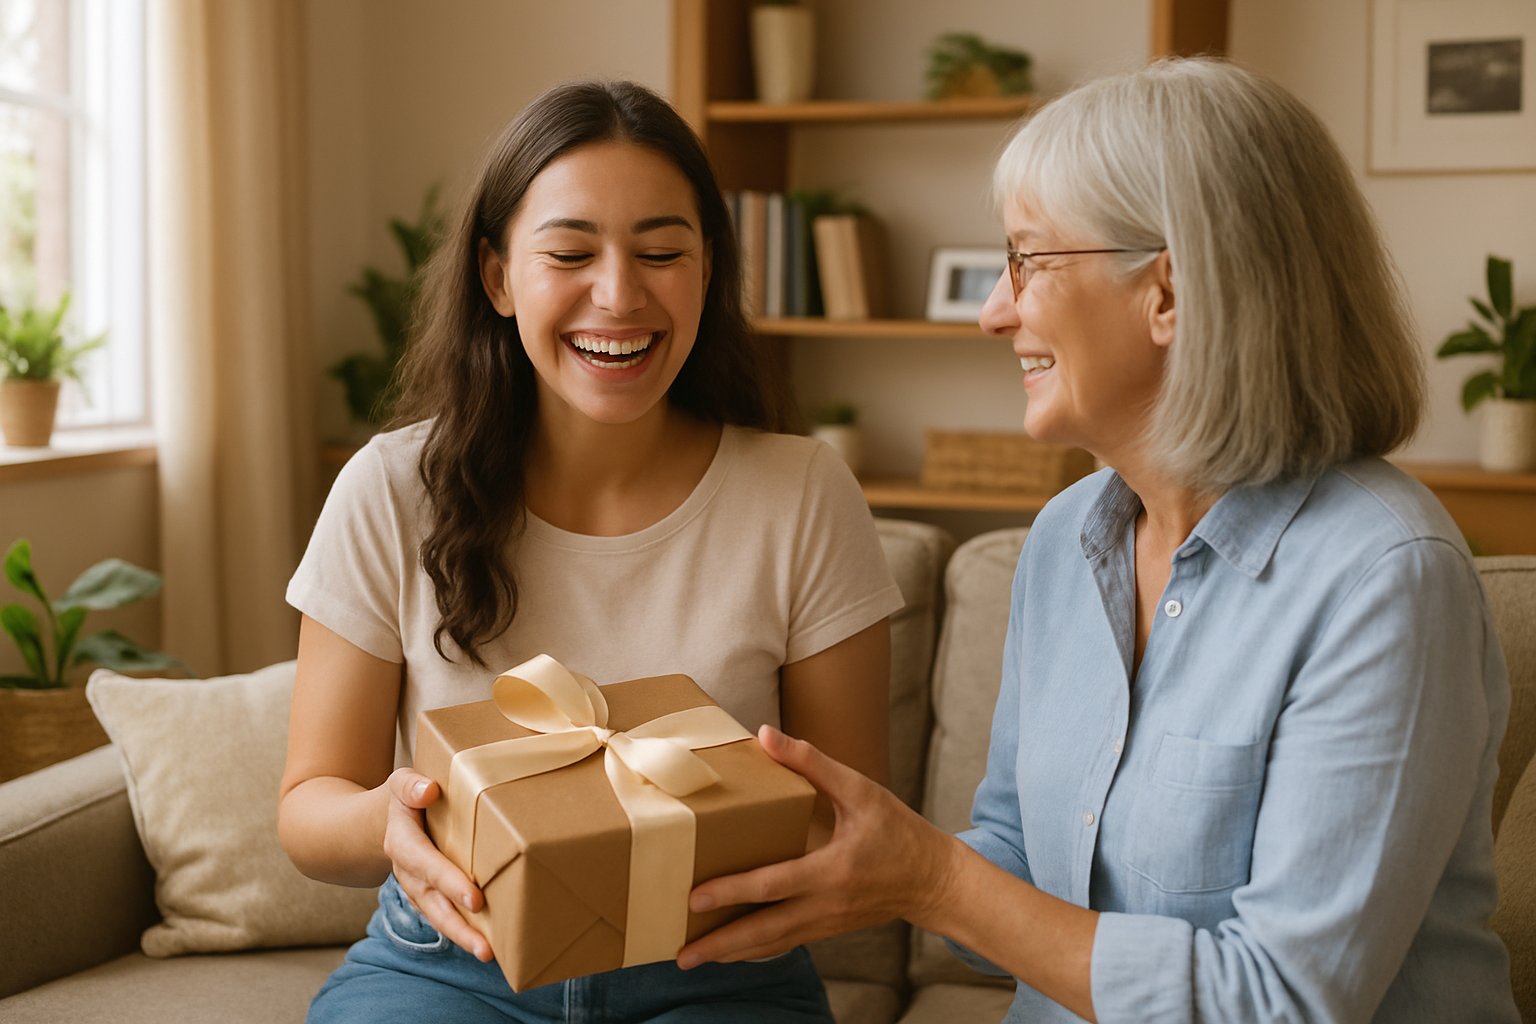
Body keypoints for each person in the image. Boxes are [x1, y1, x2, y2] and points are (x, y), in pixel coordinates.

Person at [679, 57, 1521, 1023]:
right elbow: (1010, 852)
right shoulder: (1064, 538)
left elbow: (1281, 1003)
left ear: (1169, 291)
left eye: (1028, 260)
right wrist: (808, 843)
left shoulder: (1384, 577)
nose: (995, 310)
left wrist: (932, 881)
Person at [278, 79, 903, 1024]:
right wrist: (397, 821)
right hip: (450, 962)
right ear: (497, 278)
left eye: (661, 252)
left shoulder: (803, 495)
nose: (618, 294)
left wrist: (676, 828)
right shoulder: (389, 488)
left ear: (706, 274)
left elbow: (849, 814)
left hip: (715, 968)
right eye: (570, 252)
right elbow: (309, 810)